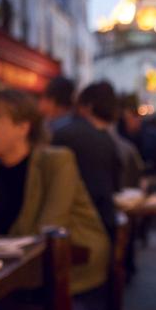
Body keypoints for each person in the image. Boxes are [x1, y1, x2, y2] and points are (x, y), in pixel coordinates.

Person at [0, 89, 109, 302]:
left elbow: (48, 230)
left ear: (23, 126)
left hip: (66, 284)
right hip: (4, 279)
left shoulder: (56, 161)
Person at [51, 81, 121, 239]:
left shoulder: (64, 133)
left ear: (87, 107)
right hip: (102, 216)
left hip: (74, 222)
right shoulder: (107, 139)